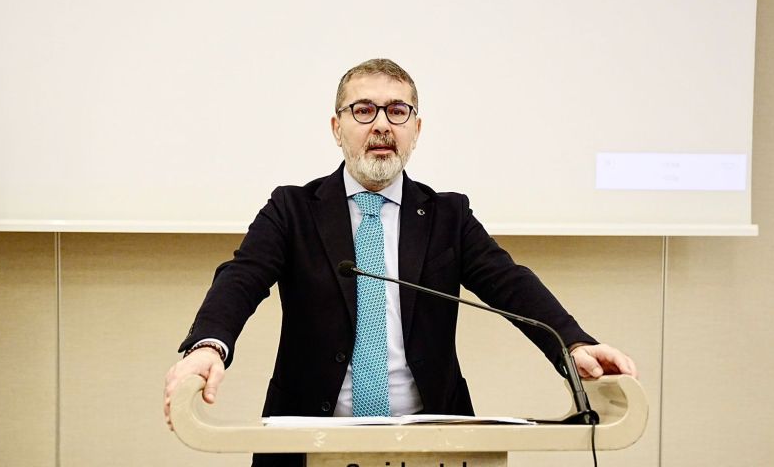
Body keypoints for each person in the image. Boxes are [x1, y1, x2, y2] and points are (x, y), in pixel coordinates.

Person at [164, 58, 636, 466]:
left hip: (434, 443)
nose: (381, 125)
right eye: (363, 110)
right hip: (309, 438)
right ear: (336, 128)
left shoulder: (448, 215)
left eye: (397, 110)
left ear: (416, 129)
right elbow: (242, 277)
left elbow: (510, 283)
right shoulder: (293, 209)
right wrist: (209, 346)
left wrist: (573, 344)